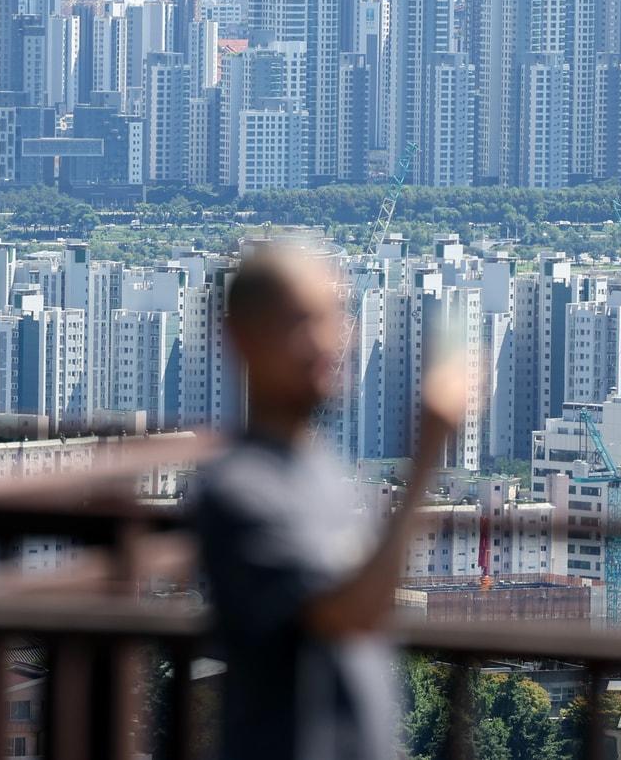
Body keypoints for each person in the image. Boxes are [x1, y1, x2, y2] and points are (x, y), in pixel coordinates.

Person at [196, 246, 467, 760]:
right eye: (301, 321)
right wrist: (427, 452)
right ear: (241, 338)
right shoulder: (240, 489)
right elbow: (350, 612)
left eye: (333, 316)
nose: (326, 341)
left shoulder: (324, 470)